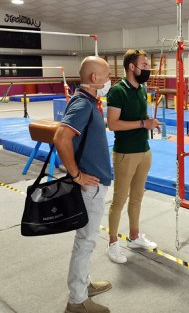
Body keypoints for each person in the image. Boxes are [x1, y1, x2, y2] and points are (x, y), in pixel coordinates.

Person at [53, 56, 113, 313]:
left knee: (87, 240)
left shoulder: (89, 102)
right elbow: (61, 137)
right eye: (107, 74)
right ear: (94, 78)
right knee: (85, 241)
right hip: (88, 184)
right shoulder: (83, 104)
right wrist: (76, 175)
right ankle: (76, 300)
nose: (110, 79)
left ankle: (84, 283)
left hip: (94, 181)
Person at [106, 49, 162, 264]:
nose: (148, 68)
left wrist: (149, 121)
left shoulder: (141, 89)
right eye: (144, 65)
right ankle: (112, 243)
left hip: (144, 151)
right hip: (125, 153)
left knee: (137, 196)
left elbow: (141, 116)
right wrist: (142, 124)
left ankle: (134, 237)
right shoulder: (117, 91)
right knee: (119, 200)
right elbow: (112, 124)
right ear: (132, 67)